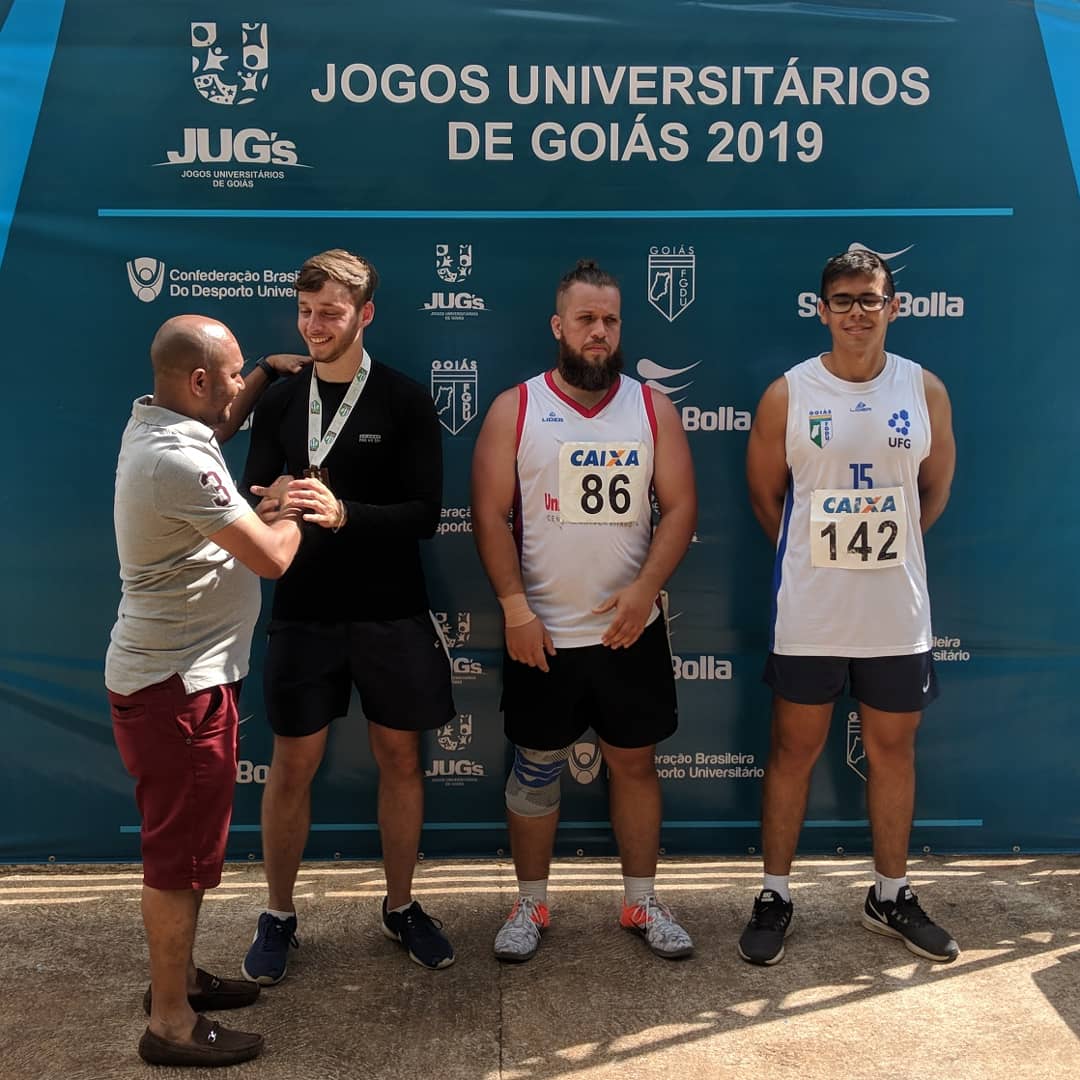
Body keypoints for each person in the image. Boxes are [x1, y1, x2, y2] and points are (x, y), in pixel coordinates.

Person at [471, 259, 698, 963]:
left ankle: (641, 901)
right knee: (535, 768)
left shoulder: (651, 406)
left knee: (634, 767)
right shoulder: (517, 406)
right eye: (586, 320)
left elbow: (682, 506)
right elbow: (488, 511)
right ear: (558, 326)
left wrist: (642, 591)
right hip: (545, 635)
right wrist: (514, 608)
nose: (600, 332)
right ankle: (531, 904)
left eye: (611, 320)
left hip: (629, 633)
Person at [239, 249, 456, 982]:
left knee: (400, 759)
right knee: (292, 763)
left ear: (365, 313)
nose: (314, 325)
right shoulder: (277, 401)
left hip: (391, 611)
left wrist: (346, 513)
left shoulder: (404, 399)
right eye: (305, 311)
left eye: (329, 312)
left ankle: (399, 906)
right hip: (303, 611)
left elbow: (426, 515)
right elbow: (249, 496)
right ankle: (278, 914)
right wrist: (268, 501)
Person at [740, 248, 959, 966]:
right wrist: (815, 557)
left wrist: (879, 555)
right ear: (822, 309)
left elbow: (934, 490)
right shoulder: (789, 395)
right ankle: (774, 894)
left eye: (870, 299)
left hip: (896, 614)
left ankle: (889, 894)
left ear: (894, 307)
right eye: (843, 300)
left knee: (893, 751)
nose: (857, 312)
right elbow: (766, 496)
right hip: (812, 616)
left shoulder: (924, 390)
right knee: (793, 752)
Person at [105, 316, 306, 1067]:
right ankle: (171, 1024)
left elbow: (216, 427)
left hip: (176, 680)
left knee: (182, 852)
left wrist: (255, 380)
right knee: (178, 863)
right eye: (231, 373)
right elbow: (272, 559)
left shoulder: (157, 427)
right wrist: (287, 505)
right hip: (176, 692)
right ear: (196, 382)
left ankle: (178, 981)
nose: (236, 387)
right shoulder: (177, 462)